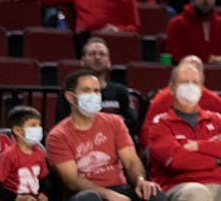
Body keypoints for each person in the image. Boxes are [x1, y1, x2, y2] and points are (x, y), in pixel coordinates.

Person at [142, 62, 221, 201]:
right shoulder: (160, 123)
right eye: (184, 82)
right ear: (172, 89)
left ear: (202, 89)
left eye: (195, 83)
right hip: (181, 186)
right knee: (197, 193)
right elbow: (176, 161)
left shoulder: (215, 118)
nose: (190, 87)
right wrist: (218, 156)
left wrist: (198, 146)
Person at [47, 70, 162, 201]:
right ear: (70, 97)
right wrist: (106, 194)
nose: (93, 95)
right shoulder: (57, 136)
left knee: (154, 194)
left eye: (96, 91)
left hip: (120, 188)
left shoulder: (115, 122)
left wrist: (140, 181)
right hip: (86, 194)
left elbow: (131, 161)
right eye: (86, 90)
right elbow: (72, 181)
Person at [0, 104, 48, 201]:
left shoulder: (40, 153)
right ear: (17, 130)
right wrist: (17, 198)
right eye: (33, 125)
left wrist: (43, 194)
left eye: (39, 125)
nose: (38, 129)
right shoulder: (9, 155)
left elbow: (42, 179)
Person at [77, 37, 138, 132]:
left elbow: (133, 124)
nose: (97, 57)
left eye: (102, 54)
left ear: (109, 62)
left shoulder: (121, 92)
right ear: (82, 61)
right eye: (92, 54)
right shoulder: (71, 91)